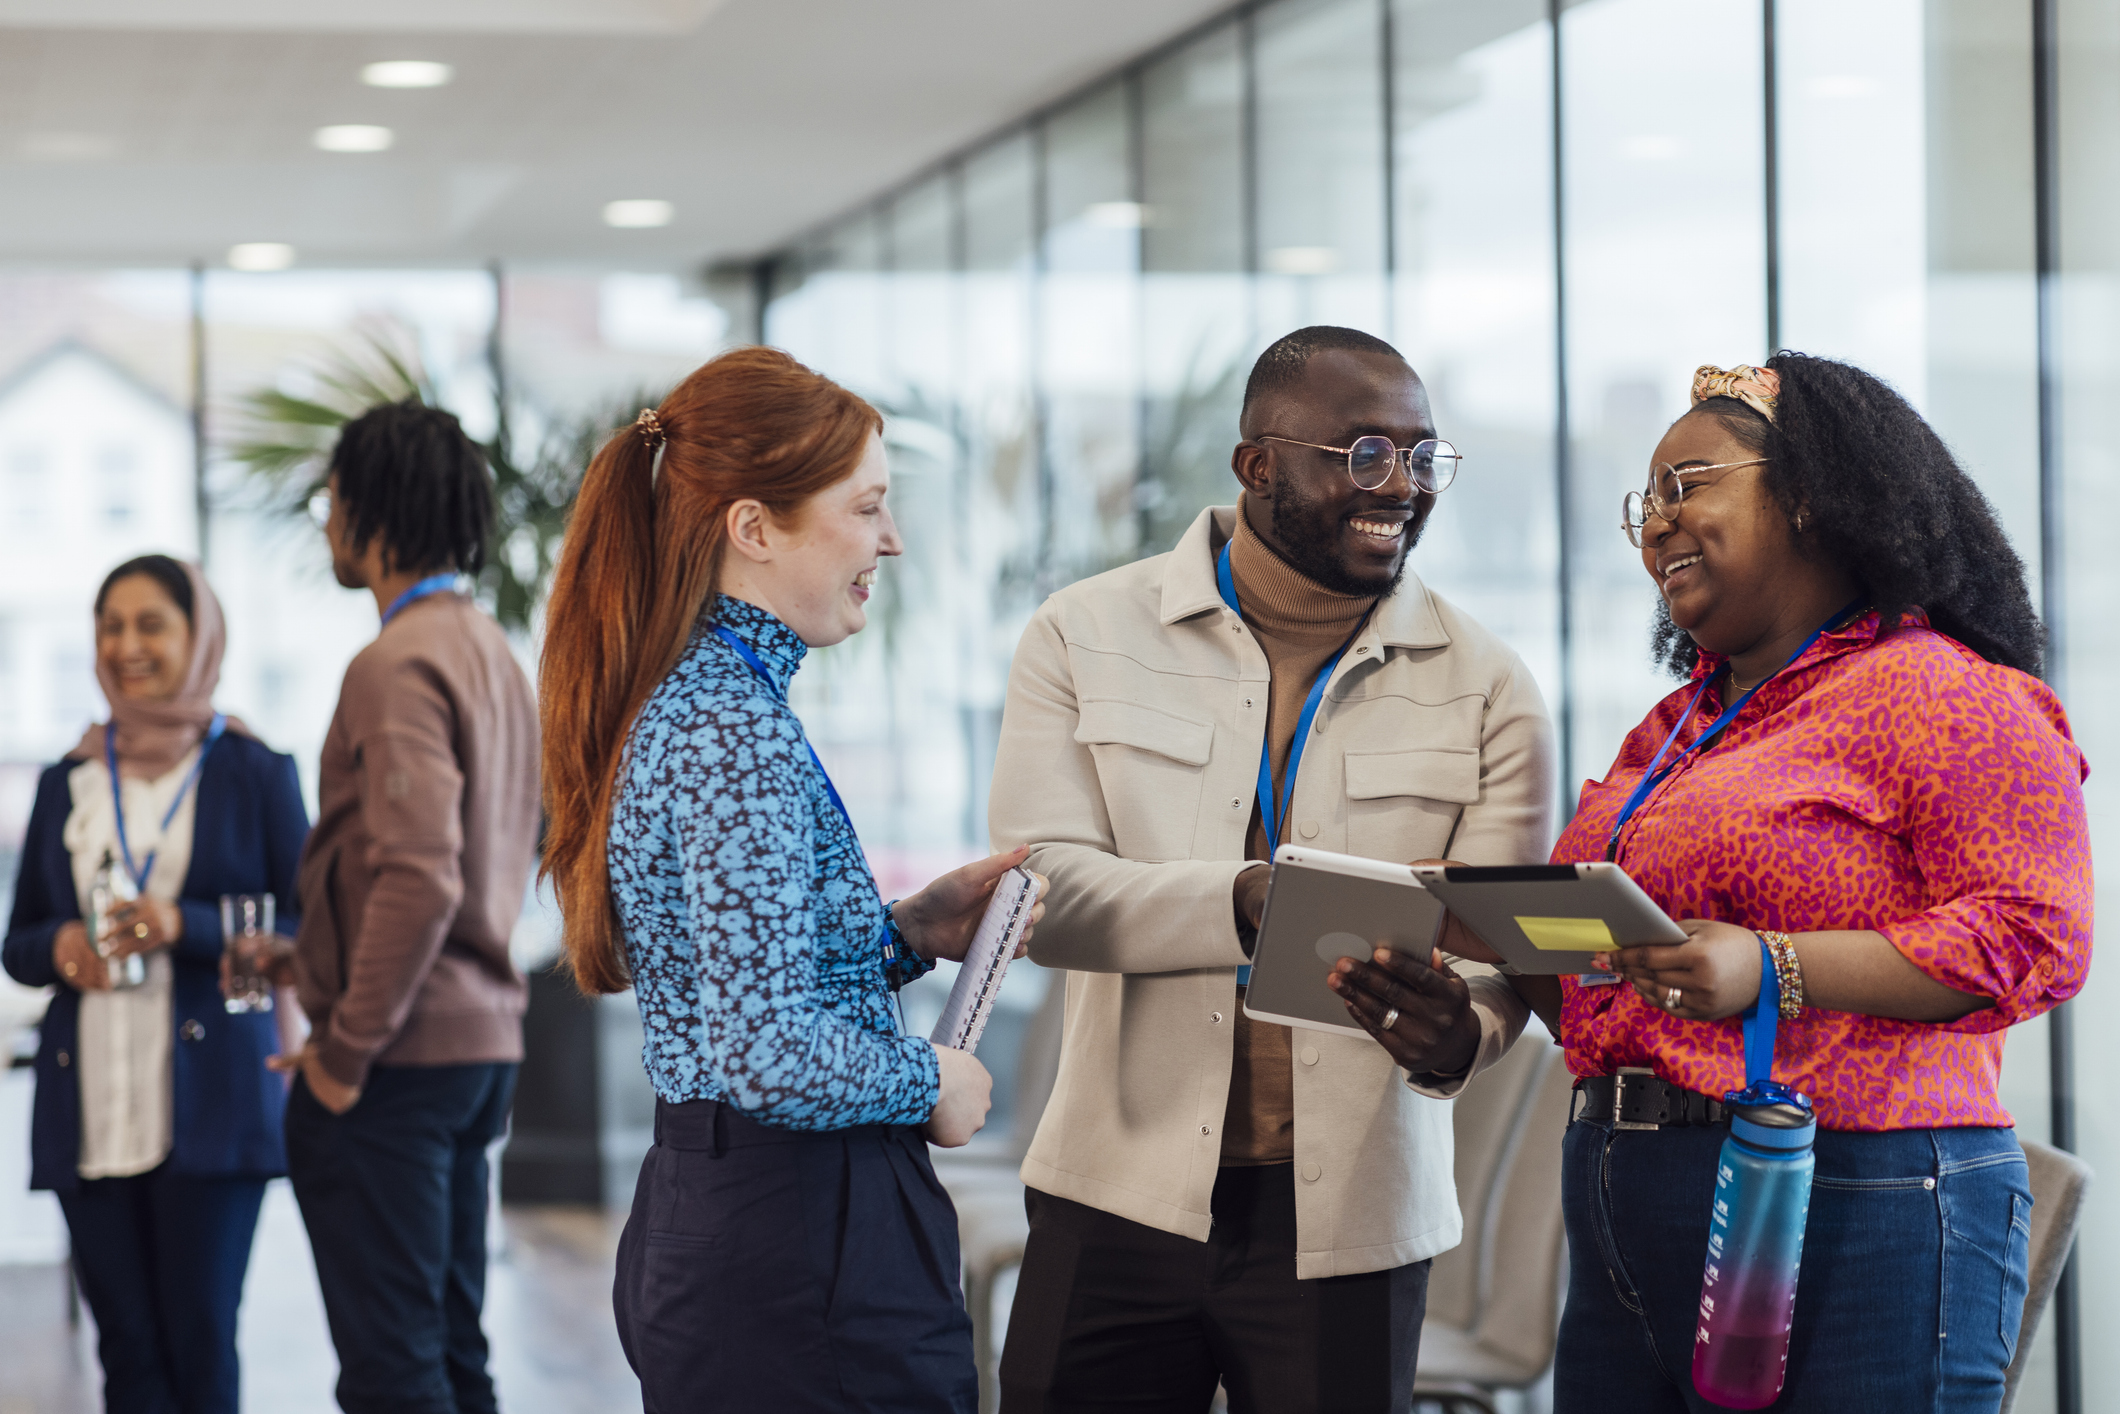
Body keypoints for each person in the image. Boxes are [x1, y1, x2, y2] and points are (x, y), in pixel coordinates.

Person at [986, 326, 1555, 1412]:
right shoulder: (1080, 634)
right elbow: (1041, 888)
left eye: (1421, 455)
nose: (1399, 486)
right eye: (1361, 453)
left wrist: (1465, 1034)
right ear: (1257, 465)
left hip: (1351, 1225)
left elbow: (1499, 945)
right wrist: (1244, 903)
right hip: (1113, 1197)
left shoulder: (1489, 684)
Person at [1526, 355, 2090, 1413]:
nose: (1654, 524)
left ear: (1811, 496)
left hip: (1852, 1197)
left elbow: (2032, 936)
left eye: (1686, 484)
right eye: (1643, 502)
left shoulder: (1950, 696)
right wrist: (1472, 970)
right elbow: (1605, 970)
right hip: (1622, 1191)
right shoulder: (1677, 726)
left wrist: (1770, 965)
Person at [538, 345, 1048, 1414]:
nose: (890, 541)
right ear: (754, 527)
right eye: (866, 508)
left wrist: (908, 927)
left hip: (742, 1220)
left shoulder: (699, 699)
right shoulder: (730, 728)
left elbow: (747, 985)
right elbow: (765, 1051)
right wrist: (934, 1083)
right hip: (796, 1238)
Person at [260, 401, 539, 1414]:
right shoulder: (495, 655)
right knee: (452, 1349)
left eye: (331, 500)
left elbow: (421, 876)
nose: (328, 523)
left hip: (399, 1061)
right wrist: (307, 959)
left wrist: (341, 1051)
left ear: (370, 506)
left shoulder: (394, 661)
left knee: (392, 1369)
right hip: (478, 1052)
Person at [2, 555, 307, 1414]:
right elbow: (19, 941)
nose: (126, 645)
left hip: (213, 1107)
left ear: (198, 635)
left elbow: (314, 928)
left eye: (150, 625)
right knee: (126, 1351)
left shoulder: (256, 769)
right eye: (110, 626)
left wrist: (190, 926)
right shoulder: (68, 778)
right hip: (89, 1105)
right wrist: (62, 944)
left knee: (201, 1339)